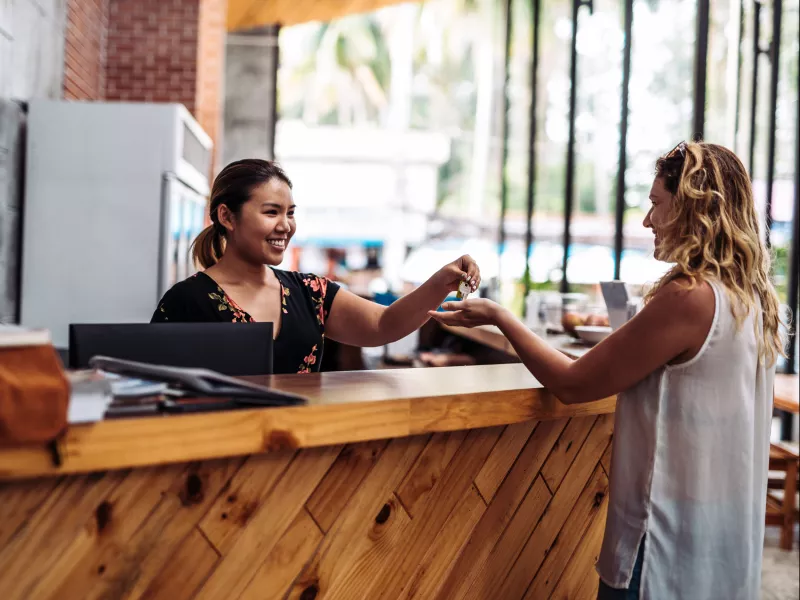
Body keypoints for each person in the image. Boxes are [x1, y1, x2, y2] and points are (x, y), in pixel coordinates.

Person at [430, 142, 784, 599]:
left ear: (692, 206)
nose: (647, 220)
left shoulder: (689, 297)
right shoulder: (752, 298)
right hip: (723, 535)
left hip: (661, 544)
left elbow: (573, 383)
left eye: (656, 203)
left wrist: (500, 317)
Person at [152, 159, 480, 374]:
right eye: (271, 212)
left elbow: (384, 324)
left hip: (305, 454)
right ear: (227, 216)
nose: (285, 226)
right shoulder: (186, 300)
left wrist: (440, 282)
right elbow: (155, 392)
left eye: (290, 213)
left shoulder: (309, 292)